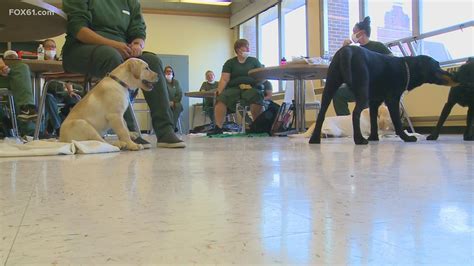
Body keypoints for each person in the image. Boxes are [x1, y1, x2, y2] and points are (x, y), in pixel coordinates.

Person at [61, 0, 185, 148]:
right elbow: (78, 29)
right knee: (112, 57)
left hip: (121, 50)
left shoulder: (130, 2)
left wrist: (138, 44)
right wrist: (113, 44)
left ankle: (165, 131)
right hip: (81, 48)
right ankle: (129, 134)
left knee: (152, 60)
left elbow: (138, 30)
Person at [334, 16, 393, 116]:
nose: (352, 35)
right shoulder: (355, 50)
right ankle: (347, 122)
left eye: (354, 31)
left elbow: (392, 62)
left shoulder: (378, 46)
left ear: (362, 32)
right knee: (338, 94)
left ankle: (366, 123)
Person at [207, 39, 265, 135]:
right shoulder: (230, 63)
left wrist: (261, 82)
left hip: (250, 87)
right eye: (246, 46)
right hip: (234, 88)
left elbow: (260, 76)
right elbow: (224, 79)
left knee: (257, 96)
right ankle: (218, 127)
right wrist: (219, 92)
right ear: (238, 49)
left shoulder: (254, 61)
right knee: (221, 98)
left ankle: (257, 125)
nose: (248, 48)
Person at [42, 39, 84, 137]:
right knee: (48, 98)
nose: (51, 49)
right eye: (48, 46)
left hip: (62, 91)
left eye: (53, 47)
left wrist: (70, 90)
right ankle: (58, 128)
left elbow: (66, 78)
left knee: (75, 97)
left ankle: (73, 126)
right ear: (43, 48)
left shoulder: (59, 62)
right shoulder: (39, 62)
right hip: (49, 92)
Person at [164, 66, 183, 131]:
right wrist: (167, 102)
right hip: (164, 103)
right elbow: (161, 94)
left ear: (173, 73)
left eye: (170, 71)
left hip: (174, 103)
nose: (169, 72)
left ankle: (171, 127)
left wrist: (173, 102)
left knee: (178, 106)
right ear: (164, 73)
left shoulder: (176, 82)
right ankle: (168, 127)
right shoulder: (162, 82)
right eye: (167, 71)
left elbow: (179, 94)